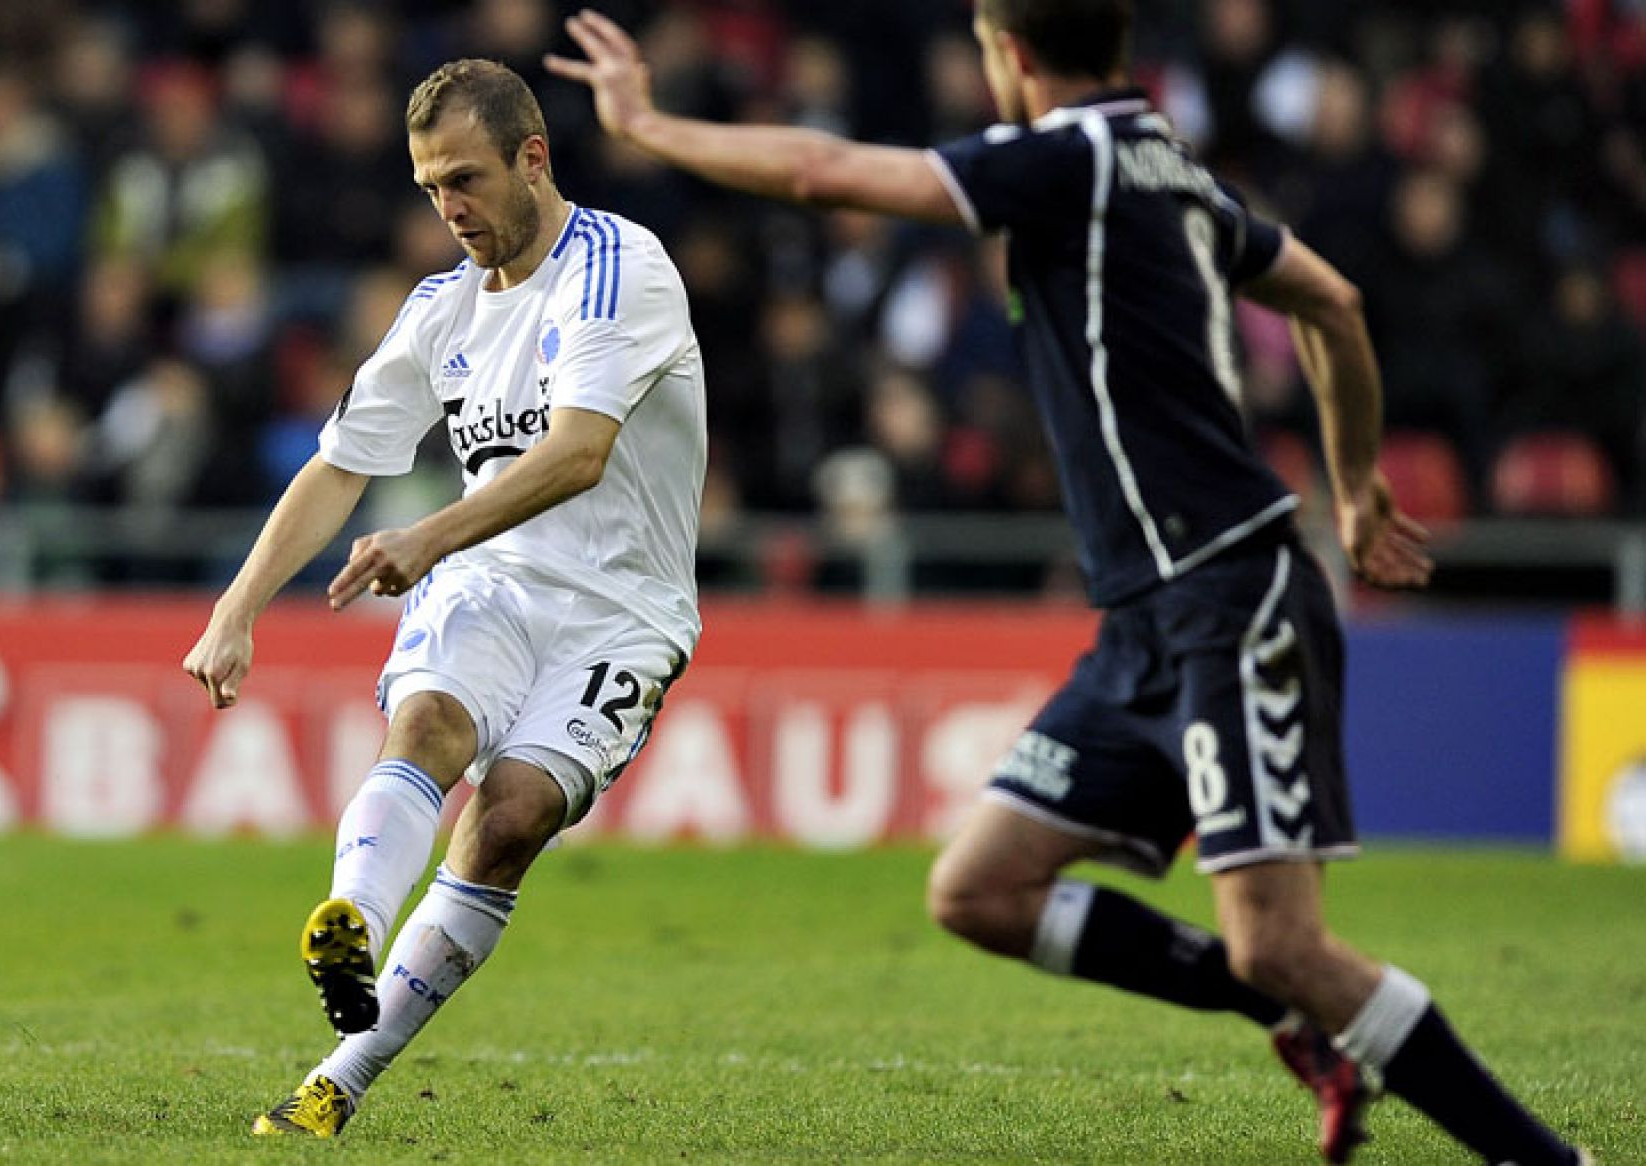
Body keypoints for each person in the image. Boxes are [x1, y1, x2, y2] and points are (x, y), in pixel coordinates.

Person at [547, 5, 1590, 1165]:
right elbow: (1330, 303)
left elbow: (818, 168)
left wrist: (644, 122)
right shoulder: (1172, 165)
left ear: (1013, 55)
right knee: (979, 888)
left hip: (1228, 595)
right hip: (1150, 613)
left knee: (1277, 940)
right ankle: (1302, 1024)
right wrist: (1352, 489)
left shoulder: (1074, 158)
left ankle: (1543, 1157)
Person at [182, 57, 705, 1138]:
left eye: (464, 178)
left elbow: (577, 454)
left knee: (508, 814)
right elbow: (339, 464)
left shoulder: (616, 268)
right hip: (493, 580)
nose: (449, 207)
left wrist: (424, 535)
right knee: (423, 722)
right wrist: (236, 609)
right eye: (429, 188)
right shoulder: (440, 308)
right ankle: (354, 925)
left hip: (625, 611)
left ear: (533, 157)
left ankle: (340, 1074)